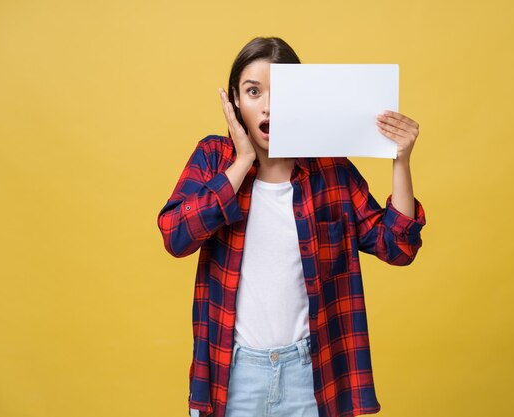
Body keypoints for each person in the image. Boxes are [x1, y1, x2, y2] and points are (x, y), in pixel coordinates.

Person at [157, 36, 426, 417]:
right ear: (235, 99)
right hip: (231, 375)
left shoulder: (329, 168)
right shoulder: (214, 157)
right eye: (253, 91)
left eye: (282, 93)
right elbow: (176, 236)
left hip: (312, 375)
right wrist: (242, 161)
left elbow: (398, 248)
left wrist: (401, 160)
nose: (268, 106)